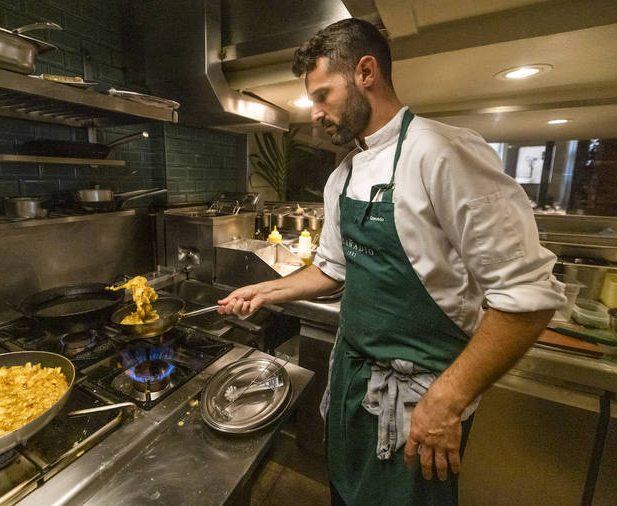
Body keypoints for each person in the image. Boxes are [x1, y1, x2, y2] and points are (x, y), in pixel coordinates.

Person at [217, 18, 565, 506]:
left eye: (322, 95)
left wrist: (446, 402)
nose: (314, 113)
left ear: (365, 72)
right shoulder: (344, 176)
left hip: (420, 398)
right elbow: (331, 269)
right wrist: (264, 291)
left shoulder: (442, 154)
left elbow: (528, 299)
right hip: (352, 385)